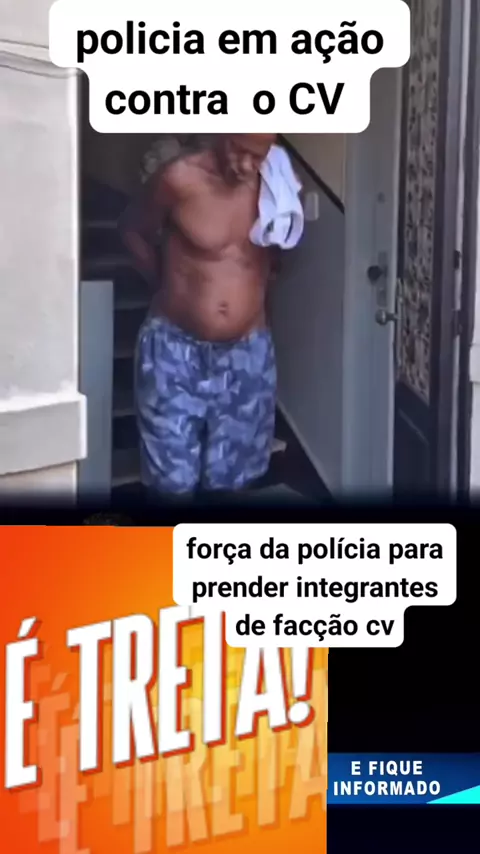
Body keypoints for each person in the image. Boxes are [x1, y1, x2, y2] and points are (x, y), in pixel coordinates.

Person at [119, 133, 284, 499]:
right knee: (170, 485)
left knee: (235, 481)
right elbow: (132, 230)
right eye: (239, 150)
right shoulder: (178, 178)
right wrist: (165, 285)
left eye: (258, 156)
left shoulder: (277, 181)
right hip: (174, 349)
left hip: (247, 352)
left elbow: (274, 253)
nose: (246, 165)